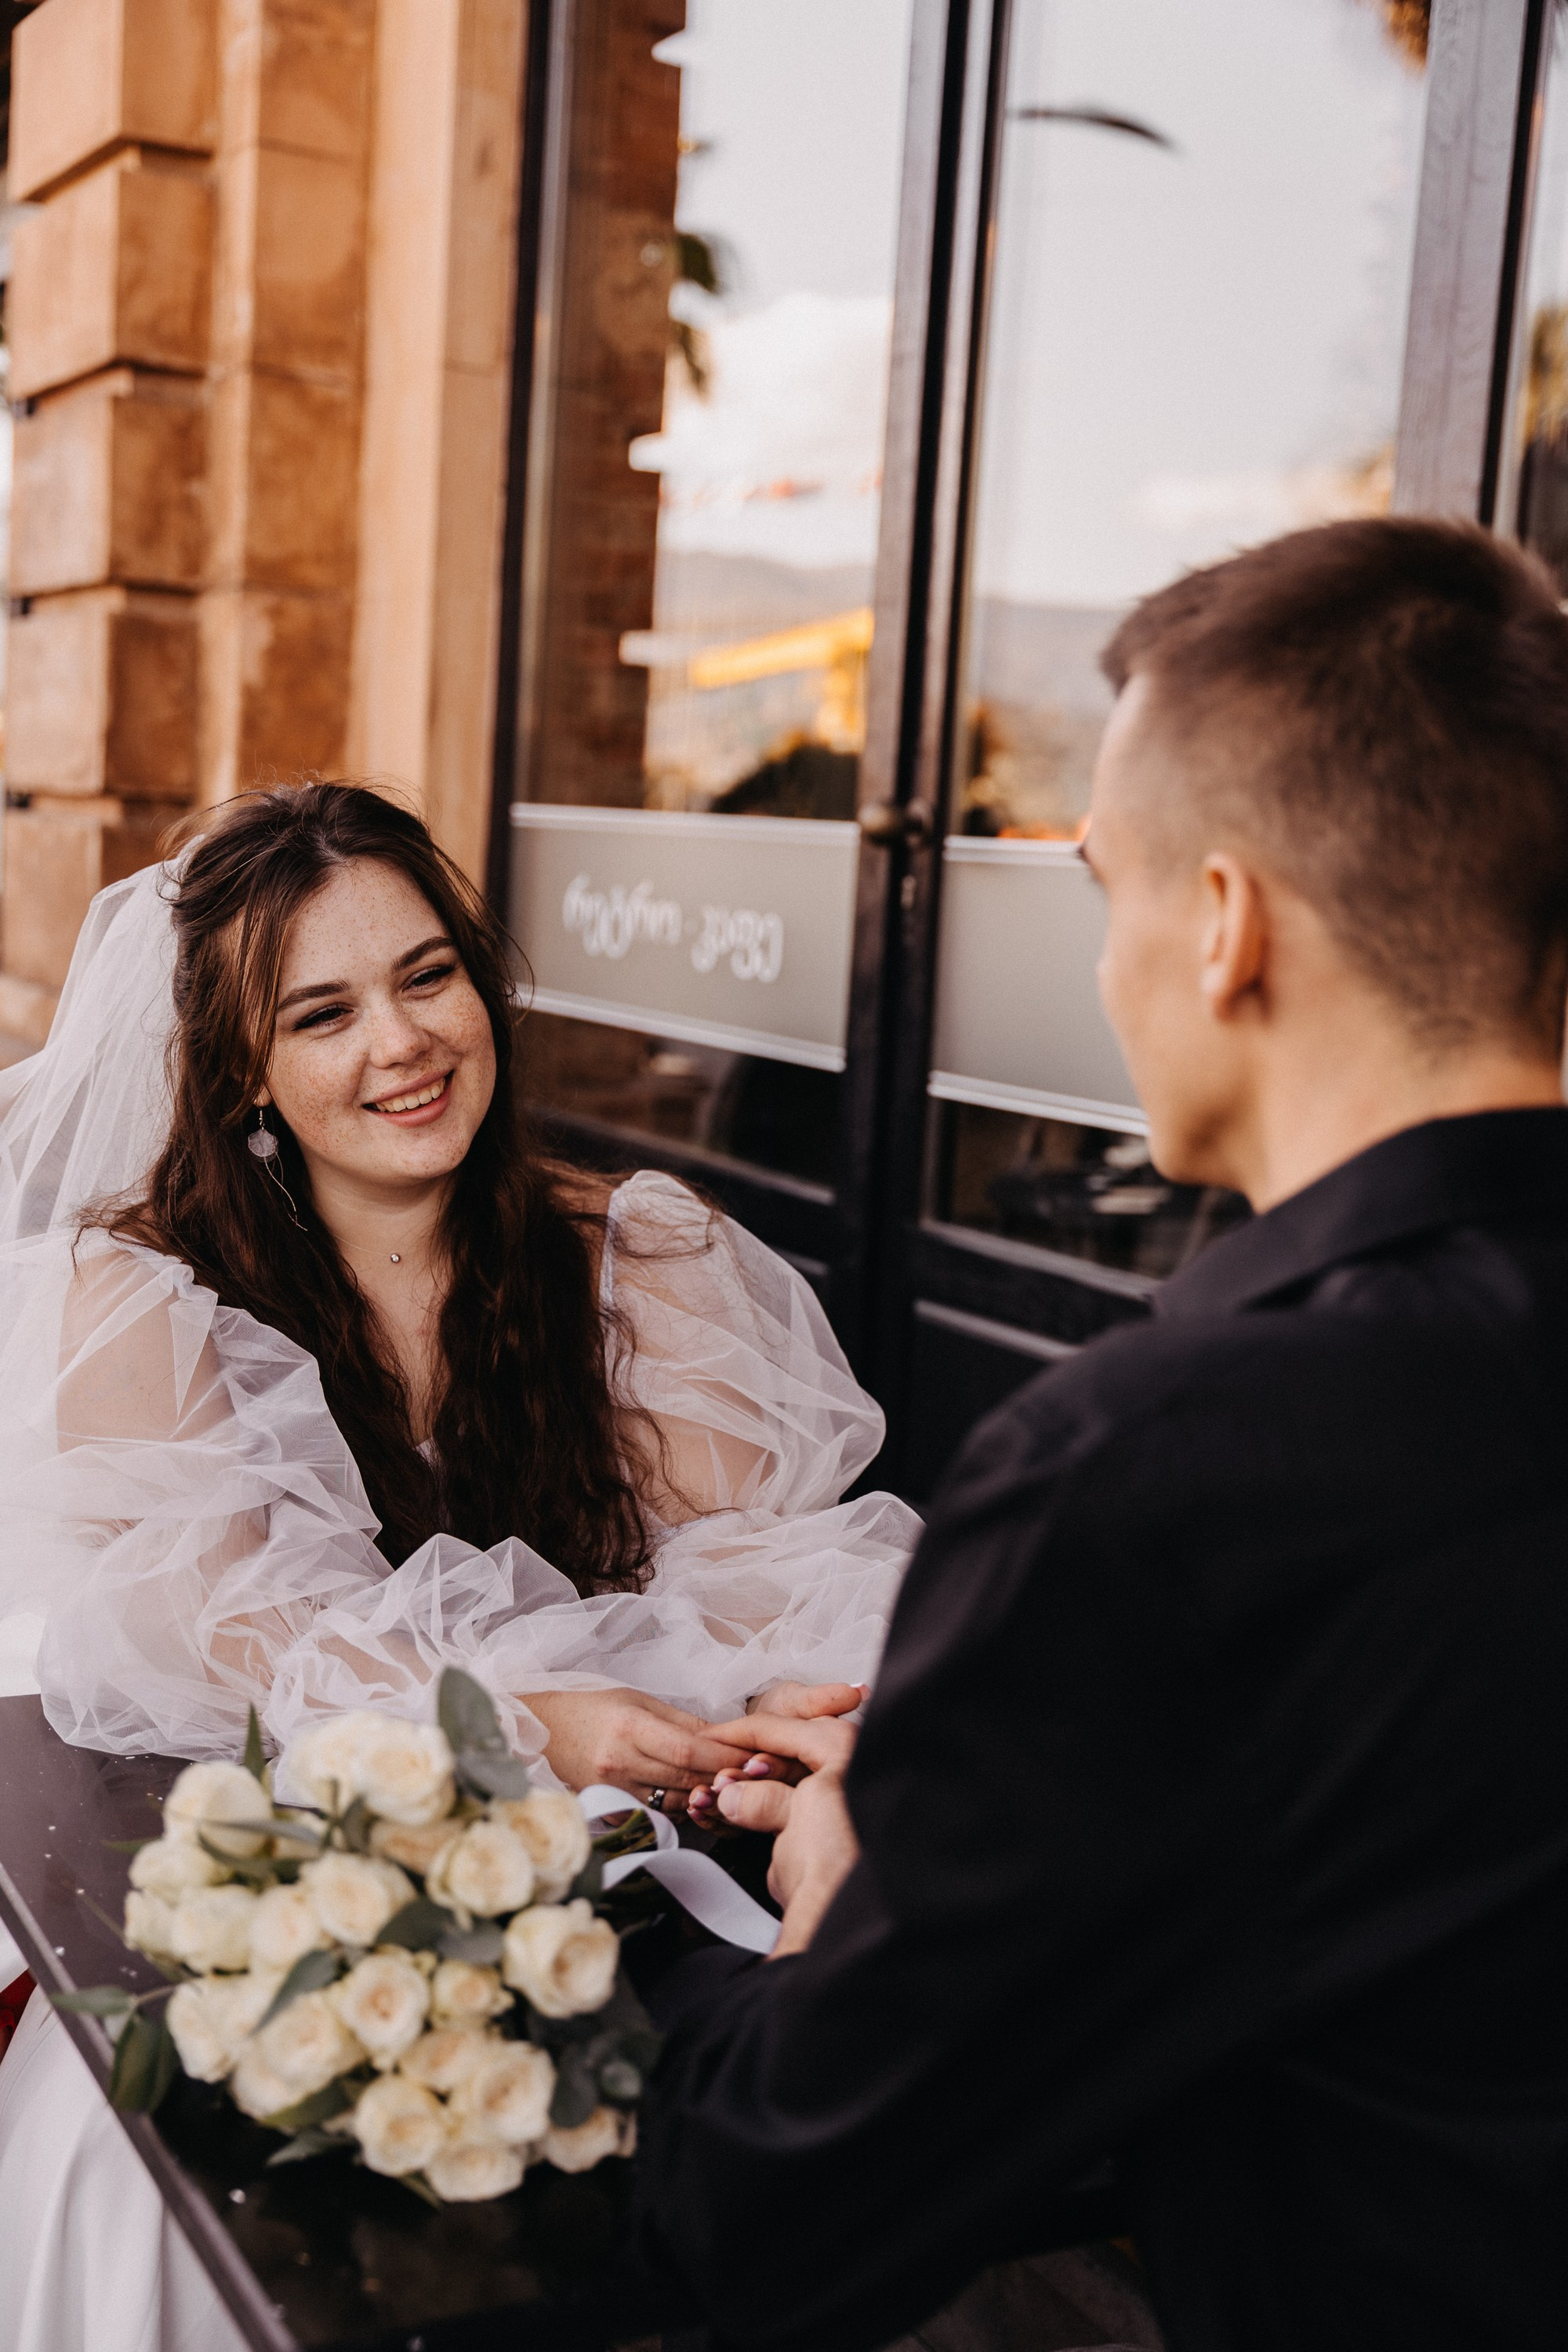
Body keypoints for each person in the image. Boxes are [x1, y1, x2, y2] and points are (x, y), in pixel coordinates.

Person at [640, 517, 1568, 2352]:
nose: (1099, 970)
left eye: (1102, 891)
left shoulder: (1163, 1466)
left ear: (1221, 926)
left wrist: (853, 1896)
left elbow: (783, 2202)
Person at [0, 781, 919, 2352]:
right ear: (248, 1078)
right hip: (275, 1823)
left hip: (633, 1840)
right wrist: (519, 1717)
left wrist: (807, 1734)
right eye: (324, 1012)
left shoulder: (641, 1255)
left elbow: (775, 1564)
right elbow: (229, 1629)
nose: (402, 1044)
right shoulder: (147, 1298)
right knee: (153, 2153)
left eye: (429, 978)